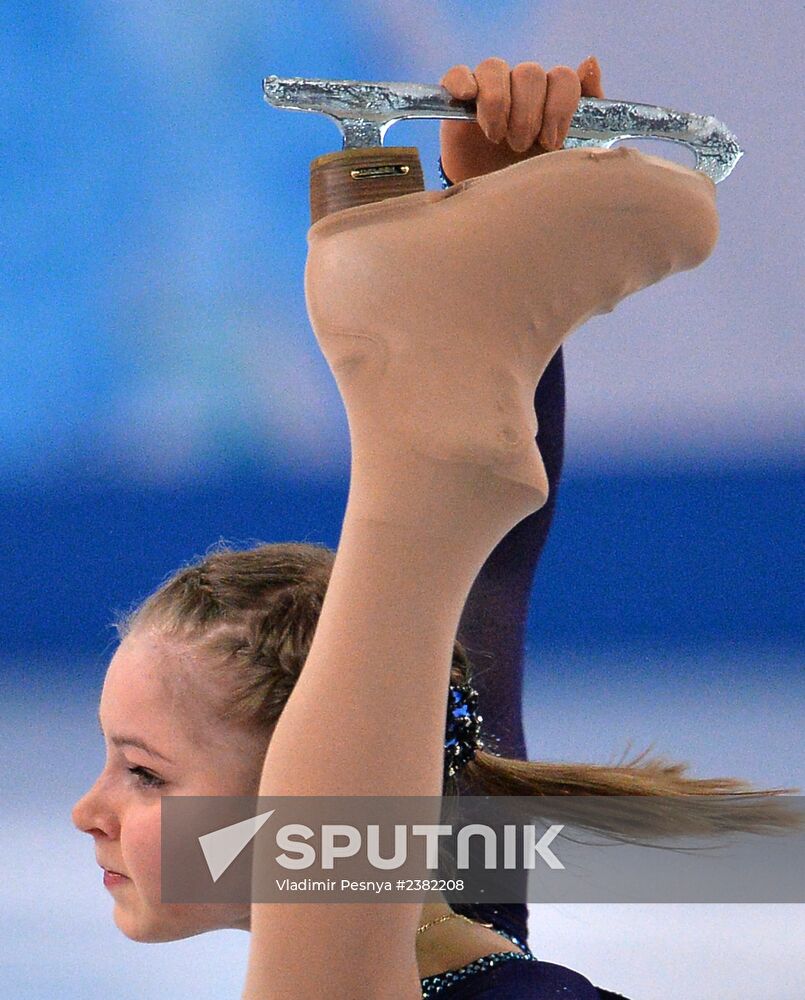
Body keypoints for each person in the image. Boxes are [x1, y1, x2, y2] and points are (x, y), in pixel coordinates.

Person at [72, 56, 796, 999]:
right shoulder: (460, 908)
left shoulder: (383, 928)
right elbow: (481, 573)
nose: (87, 810)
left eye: (145, 773)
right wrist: (498, 232)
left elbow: (452, 566)